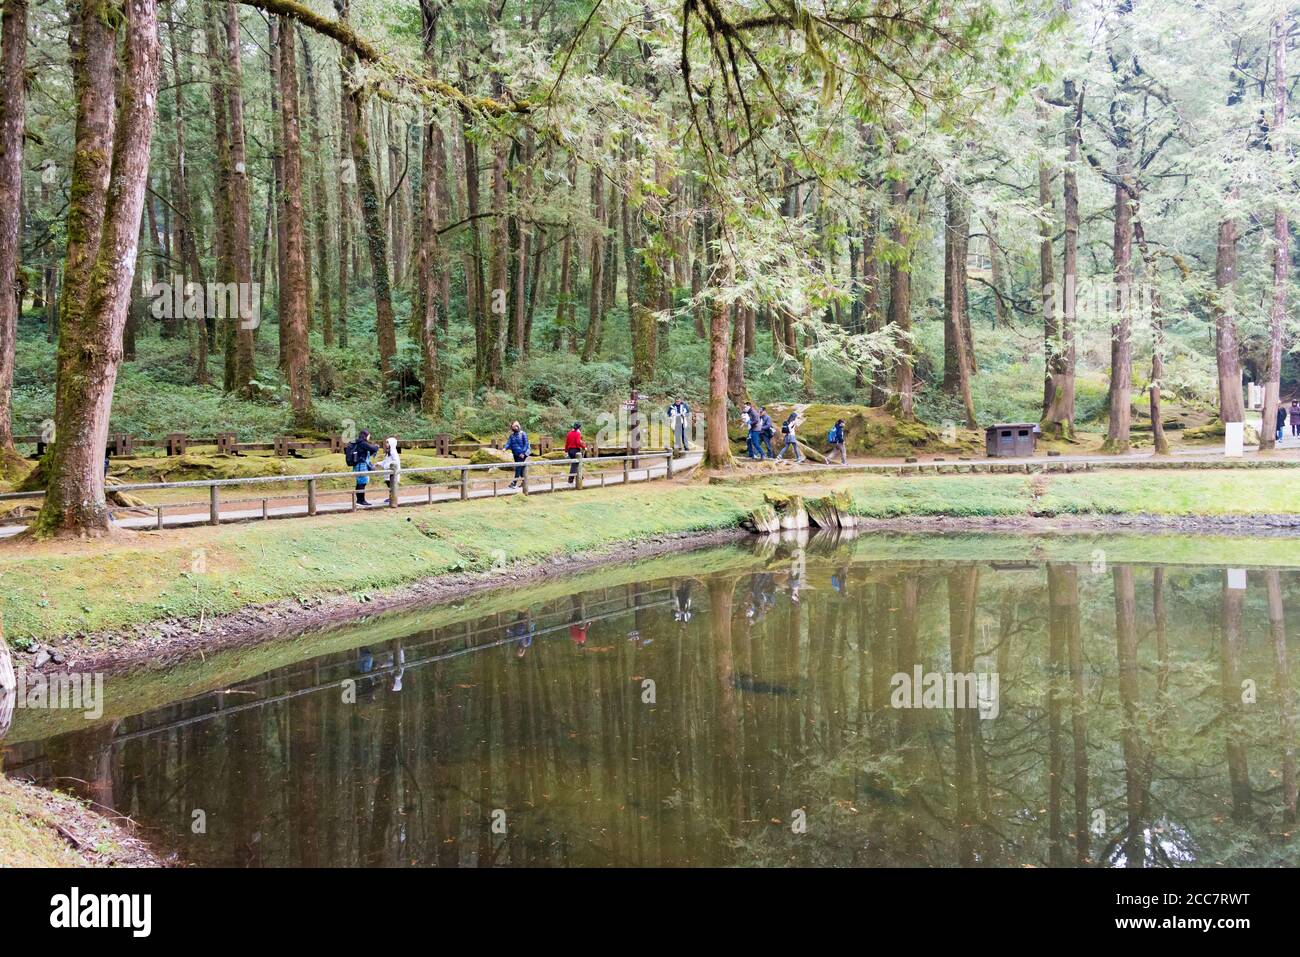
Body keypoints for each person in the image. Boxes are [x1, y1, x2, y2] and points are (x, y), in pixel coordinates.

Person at [348, 430, 381, 506]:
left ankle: (359, 500)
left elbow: (369, 451)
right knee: (362, 482)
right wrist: (376, 446)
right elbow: (373, 449)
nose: (369, 437)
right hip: (361, 465)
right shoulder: (362, 443)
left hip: (358, 465)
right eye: (369, 435)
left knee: (360, 482)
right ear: (366, 435)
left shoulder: (358, 442)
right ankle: (361, 500)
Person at [505, 421, 530, 489]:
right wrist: (505, 448)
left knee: (518, 468)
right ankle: (524, 482)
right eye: (513, 427)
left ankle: (514, 483)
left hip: (522, 455)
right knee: (520, 468)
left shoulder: (523, 434)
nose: (515, 428)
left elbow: (526, 444)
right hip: (515, 454)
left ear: (518, 426)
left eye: (516, 426)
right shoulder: (512, 435)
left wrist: (523, 453)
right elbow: (508, 443)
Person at [377, 436, 400, 504]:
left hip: (392, 472)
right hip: (388, 472)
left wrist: (386, 466)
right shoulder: (388, 452)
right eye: (386, 442)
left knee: (392, 485)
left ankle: (393, 498)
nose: (386, 444)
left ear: (391, 444)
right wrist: (379, 463)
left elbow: (395, 461)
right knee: (389, 485)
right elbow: (385, 461)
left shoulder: (393, 452)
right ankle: (391, 497)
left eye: (388, 443)